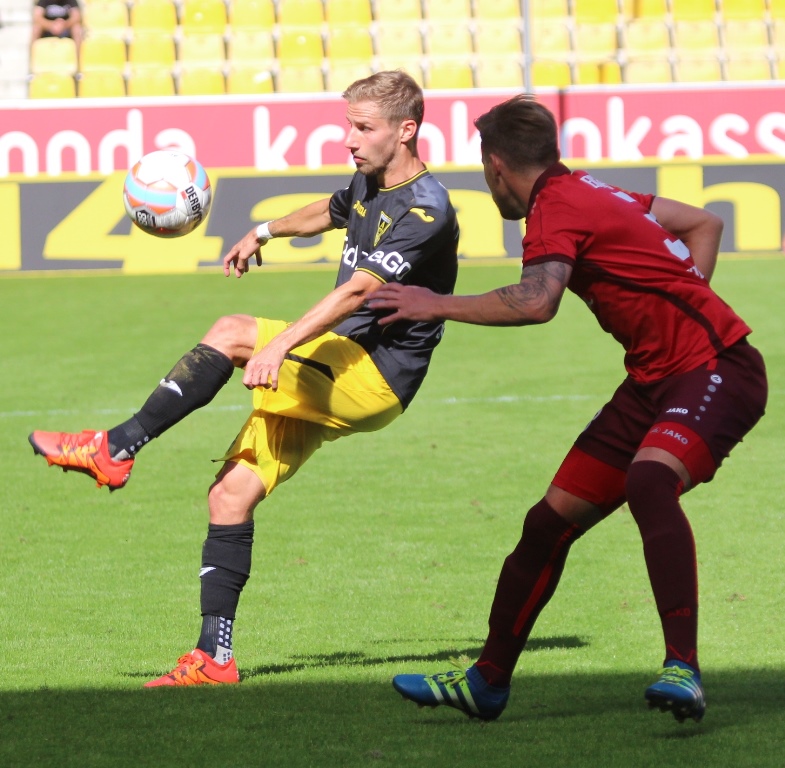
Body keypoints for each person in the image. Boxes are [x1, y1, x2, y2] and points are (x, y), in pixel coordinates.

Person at [28, 70, 459, 687]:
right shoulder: (368, 179)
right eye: (348, 126)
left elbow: (360, 291)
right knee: (229, 496)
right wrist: (264, 231)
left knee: (233, 331)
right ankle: (214, 659)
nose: (349, 139)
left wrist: (280, 344)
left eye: (363, 128)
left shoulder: (426, 207)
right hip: (339, 361)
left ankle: (115, 447)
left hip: (373, 376)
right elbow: (332, 210)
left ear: (406, 130)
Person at [369, 95, 767, 724]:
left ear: (496, 165)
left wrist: (432, 303)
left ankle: (683, 669)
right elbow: (705, 224)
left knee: (649, 480)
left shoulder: (555, 207)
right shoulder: (591, 187)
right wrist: (680, 307)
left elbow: (537, 301)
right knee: (546, 525)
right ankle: (486, 682)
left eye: (484, 170)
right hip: (655, 381)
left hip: (718, 368)